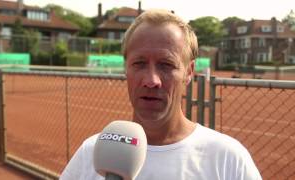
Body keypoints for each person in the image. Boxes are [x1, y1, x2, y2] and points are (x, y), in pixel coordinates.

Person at [60, 9, 262, 180]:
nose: (151, 80)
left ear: (189, 72)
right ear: (126, 69)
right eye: (139, 64)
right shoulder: (91, 153)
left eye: (166, 65)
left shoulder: (228, 159)